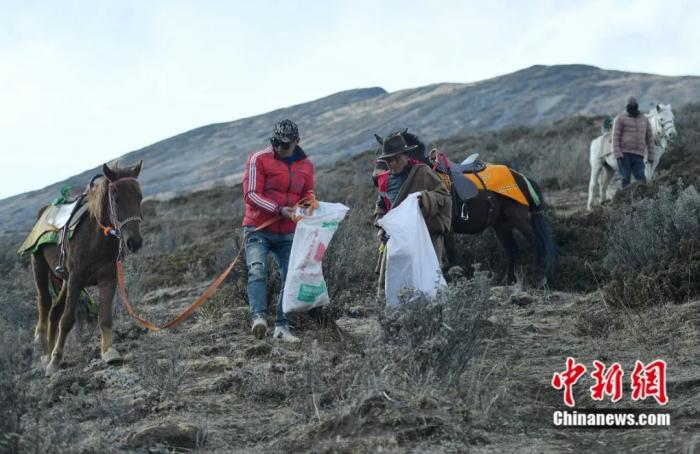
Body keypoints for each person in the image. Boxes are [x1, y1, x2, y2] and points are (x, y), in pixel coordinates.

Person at [241, 119, 314, 342]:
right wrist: (279, 210)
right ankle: (259, 319)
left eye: (285, 145)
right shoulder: (258, 159)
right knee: (257, 270)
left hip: (288, 232)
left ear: (296, 141)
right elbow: (251, 194)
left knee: (291, 275)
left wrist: (309, 208)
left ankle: (282, 327)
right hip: (257, 228)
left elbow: (308, 193)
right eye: (277, 144)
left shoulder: (306, 166)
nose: (280, 149)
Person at [374, 131, 452, 291]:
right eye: (388, 160)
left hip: (423, 237)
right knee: (394, 281)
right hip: (397, 239)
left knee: (424, 281)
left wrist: (424, 200)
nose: (392, 163)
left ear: (407, 155)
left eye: (396, 158)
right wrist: (381, 224)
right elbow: (382, 205)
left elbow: (443, 196)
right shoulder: (384, 181)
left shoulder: (422, 172)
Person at [612, 96, 654, 188]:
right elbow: (615, 137)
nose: (632, 107)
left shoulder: (644, 120)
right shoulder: (620, 118)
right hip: (624, 154)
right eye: (629, 105)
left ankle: (642, 200)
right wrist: (618, 153)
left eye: (634, 105)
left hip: (638, 155)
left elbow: (650, 139)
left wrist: (651, 155)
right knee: (625, 179)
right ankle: (625, 201)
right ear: (626, 106)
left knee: (642, 180)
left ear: (637, 106)